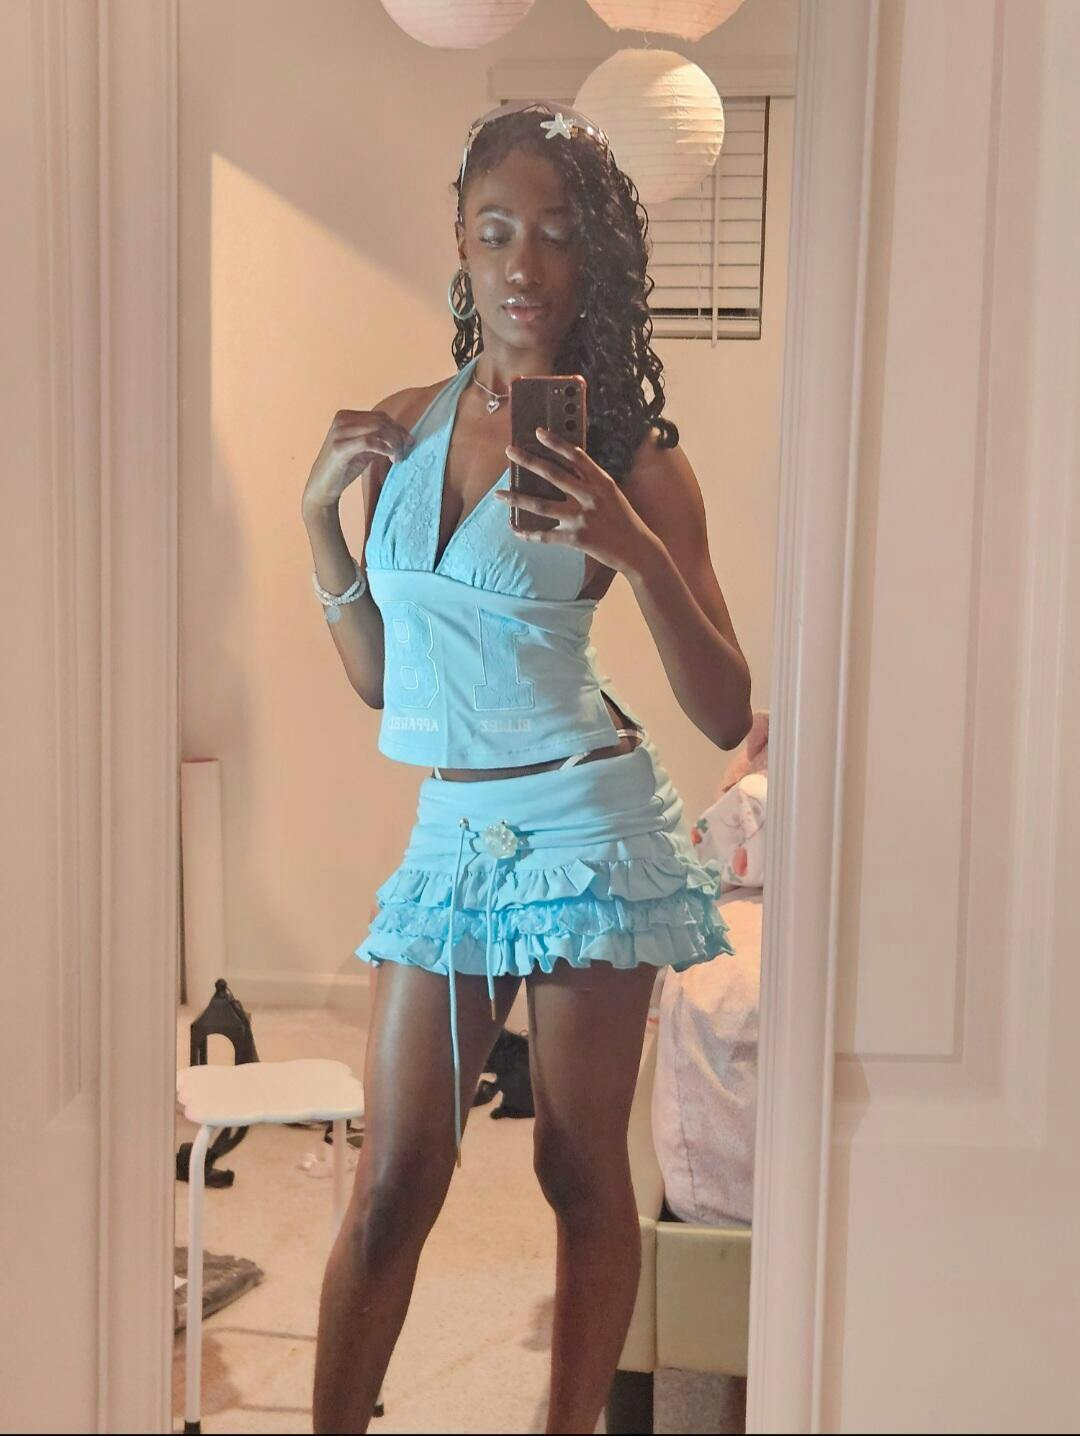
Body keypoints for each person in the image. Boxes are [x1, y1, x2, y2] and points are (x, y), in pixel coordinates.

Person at [301, 100, 753, 1436]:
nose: (525, 264)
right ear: (460, 240)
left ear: (590, 257)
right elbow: (385, 679)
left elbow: (727, 706)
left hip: (587, 826)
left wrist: (631, 546)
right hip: (451, 835)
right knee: (395, 1182)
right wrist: (318, 522)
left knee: (572, 1164)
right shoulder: (401, 425)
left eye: (556, 234)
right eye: (497, 230)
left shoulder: (634, 457)